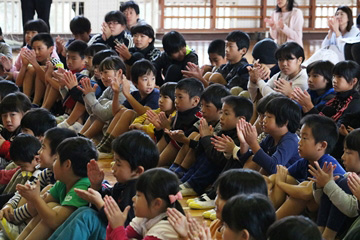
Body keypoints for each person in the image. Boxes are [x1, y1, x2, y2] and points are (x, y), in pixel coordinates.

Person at [48, 130, 159, 239]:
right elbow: (110, 199)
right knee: (84, 211)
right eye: (114, 161)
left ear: (138, 171)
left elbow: (125, 227)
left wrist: (99, 203)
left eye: (118, 164)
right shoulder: (123, 184)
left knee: (87, 217)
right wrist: (97, 186)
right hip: (110, 231)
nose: (113, 168)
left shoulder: (139, 193)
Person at [14, 137, 97, 240]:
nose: (54, 163)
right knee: (49, 206)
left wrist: (36, 199)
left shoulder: (83, 187)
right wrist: (32, 198)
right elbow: (39, 208)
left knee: (52, 209)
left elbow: (55, 221)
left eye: (56, 159)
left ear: (67, 164)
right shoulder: (63, 182)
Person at [0, 128, 77, 239]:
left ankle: (18, 229)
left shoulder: (63, 181)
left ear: (57, 155)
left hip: (38, 226)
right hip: (22, 219)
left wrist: (12, 217)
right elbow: (21, 192)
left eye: (43, 147)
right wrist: (9, 205)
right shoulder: (46, 172)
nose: (39, 152)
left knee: (44, 200)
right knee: (29, 190)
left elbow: (40, 207)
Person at [272, 115, 345, 218]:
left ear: (322, 145)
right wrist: (273, 180)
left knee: (301, 193)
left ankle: (269, 224)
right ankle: (263, 214)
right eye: (300, 137)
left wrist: (280, 183)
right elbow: (283, 174)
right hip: (312, 207)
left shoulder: (328, 165)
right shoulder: (305, 161)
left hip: (329, 216)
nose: (299, 142)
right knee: (281, 178)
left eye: (305, 138)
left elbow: (306, 193)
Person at [179, 96, 253, 197]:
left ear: (241, 119)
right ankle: (187, 181)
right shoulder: (225, 131)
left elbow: (217, 159)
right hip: (211, 174)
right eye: (221, 113)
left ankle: (203, 190)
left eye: (226, 114)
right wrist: (204, 138)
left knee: (210, 156)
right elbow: (200, 153)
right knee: (204, 152)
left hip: (224, 175)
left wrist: (206, 138)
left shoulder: (242, 137)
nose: (221, 117)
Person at [168, 168, 270, 240]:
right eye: (217, 195)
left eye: (223, 197)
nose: (216, 201)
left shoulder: (236, 233)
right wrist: (185, 236)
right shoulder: (217, 224)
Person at [167, 84, 230, 178]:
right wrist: (177, 135)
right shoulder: (205, 119)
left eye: (207, 106)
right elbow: (189, 134)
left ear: (221, 110)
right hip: (201, 151)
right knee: (193, 135)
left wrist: (185, 140)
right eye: (201, 105)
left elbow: (206, 148)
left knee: (197, 137)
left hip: (211, 162)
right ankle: (176, 168)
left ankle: (182, 172)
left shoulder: (222, 126)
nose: (202, 110)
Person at [97, 59, 159, 153]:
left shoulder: (155, 94)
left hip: (149, 129)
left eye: (153, 79)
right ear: (134, 82)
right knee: (123, 111)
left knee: (128, 113)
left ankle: (107, 149)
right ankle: (105, 145)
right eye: (145, 79)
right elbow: (116, 112)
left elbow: (146, 112)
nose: (150, 83)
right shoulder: (135, 94)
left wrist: (127, 94)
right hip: (135, 127)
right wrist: (116, 93)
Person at [104, 168, 184, 239]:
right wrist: (112, 225)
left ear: (157, 203)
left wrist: (118, 228)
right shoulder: (145, 217)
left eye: (138, 195)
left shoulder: (164, 230)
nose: (133, 198)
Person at [310, 128, 360, 240]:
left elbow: (352, 209)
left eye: (348, 152)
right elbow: (321, 201)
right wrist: (320, 186)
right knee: (339, 181)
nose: (342, 157)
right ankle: (320, 232)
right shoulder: (350, 175)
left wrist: (328, 185)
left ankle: (327, 236)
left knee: (343, 183)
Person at [235, 97, 301, 175]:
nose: (264, 120)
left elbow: (273, 168)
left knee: (264, 167)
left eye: (269, 117)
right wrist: (244, 143)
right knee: (254, 160)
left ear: (284, 122)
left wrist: (253, 144)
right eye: (264, 116)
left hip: (290, 182)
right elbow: (248, 159)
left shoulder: (290, 141)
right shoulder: (270, 138)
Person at [80, 55, 136, 139]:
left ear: (119, 72)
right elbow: (93, 112)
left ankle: (82, 139)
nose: (102, 77)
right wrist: (87, 96)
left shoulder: (127, 89)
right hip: (104, 129)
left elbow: (104, 115)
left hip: (119, 136)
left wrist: (92, 98)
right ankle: (81, 136)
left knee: (103, 108)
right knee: (100, 108)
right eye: (101, 73)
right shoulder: (110, 88)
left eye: (106, 72)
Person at [151, 78, 203, 167]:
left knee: (154, 164)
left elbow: (181, 140)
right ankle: (149, 164)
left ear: (195, 101)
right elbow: (165, 138)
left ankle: (153, 166)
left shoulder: (198, 118)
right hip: (172, 147)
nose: (175, 100)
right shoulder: (179, 112)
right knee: (151, 159)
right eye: (175, 97)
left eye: (180, 97)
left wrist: (169, 129)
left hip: (181, 154)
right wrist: (160, 129)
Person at [0, 134, 41, 208]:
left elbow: (15, 195)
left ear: (37, 159)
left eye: (22, 166)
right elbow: (6, 189)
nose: (21, 169)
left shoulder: (37, 177)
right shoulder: (21, 171)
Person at [0, 93, 32, 164]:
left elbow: (22, 158)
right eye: (4, 116)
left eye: (12, 115)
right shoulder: (5, 131)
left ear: (26, 114)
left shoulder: (26, 132)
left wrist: (3, 146)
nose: (8, 119)